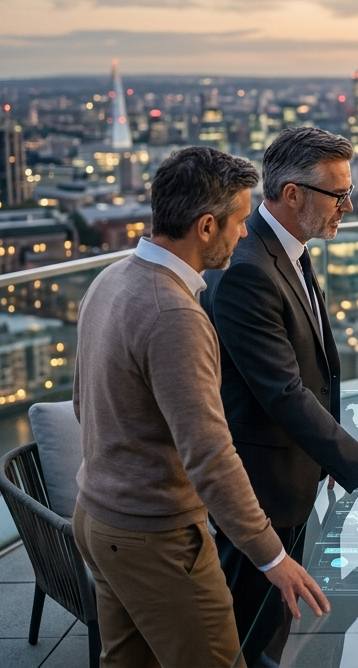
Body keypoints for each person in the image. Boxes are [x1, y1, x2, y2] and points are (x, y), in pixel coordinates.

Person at [71, 146, 328, 668]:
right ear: (206, 226)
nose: (244, 233)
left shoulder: (110, 280)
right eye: (239, 220)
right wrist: (272, 556)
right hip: (158, 538)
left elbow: (83, 405)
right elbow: (210, 456)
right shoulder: (175, 314)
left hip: (97, 520)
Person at [202, 126, 358, 665]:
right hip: (260, 487)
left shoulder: (288, 248)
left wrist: (323, 454)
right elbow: (283, 392)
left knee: (276, 626)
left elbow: (315, 370)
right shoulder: (247, 270)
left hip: (292, 471)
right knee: (250, 634)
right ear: (292, 194)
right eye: (339, 194)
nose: (349, 205)